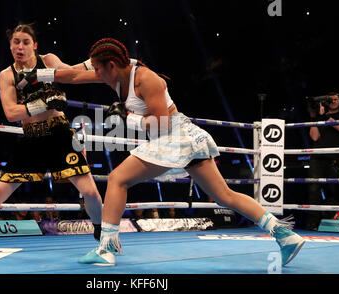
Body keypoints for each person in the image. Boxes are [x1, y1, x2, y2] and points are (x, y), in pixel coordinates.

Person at [19, 38, 306, 267]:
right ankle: (285, 234)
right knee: (224, 196)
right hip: (175, 137)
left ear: (110, 65)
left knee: (118, 179)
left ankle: (106, 249)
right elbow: (72, 74)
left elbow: (162, 124)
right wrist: (37, 73)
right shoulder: (111, 70)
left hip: (173, 135)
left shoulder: (148, 80)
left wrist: (127, 118)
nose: (95, 74)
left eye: (98, 69)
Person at [0, 24, 104, 256]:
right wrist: (44, 104)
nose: (19, 47)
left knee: (90, 191)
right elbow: (11, 113)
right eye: (15, 42)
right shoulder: (6, 75)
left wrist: (108, 67)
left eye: (25, 42)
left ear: (34, 45)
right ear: (10, 45)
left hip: (60, 134)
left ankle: (101, 231)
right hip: (31, 138)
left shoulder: (48, 61)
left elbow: (72, 74)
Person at [306, 92, 339, 230]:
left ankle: (330, 222)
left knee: (333, 191)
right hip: (317, 158)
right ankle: (313, 222)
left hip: (334, 159)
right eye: (330, 99)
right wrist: (317, 117)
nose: (333, 101)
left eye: (335, 99)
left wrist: (325, 116)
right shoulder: (321, 117)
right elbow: (314, 137)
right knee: (313, 189)